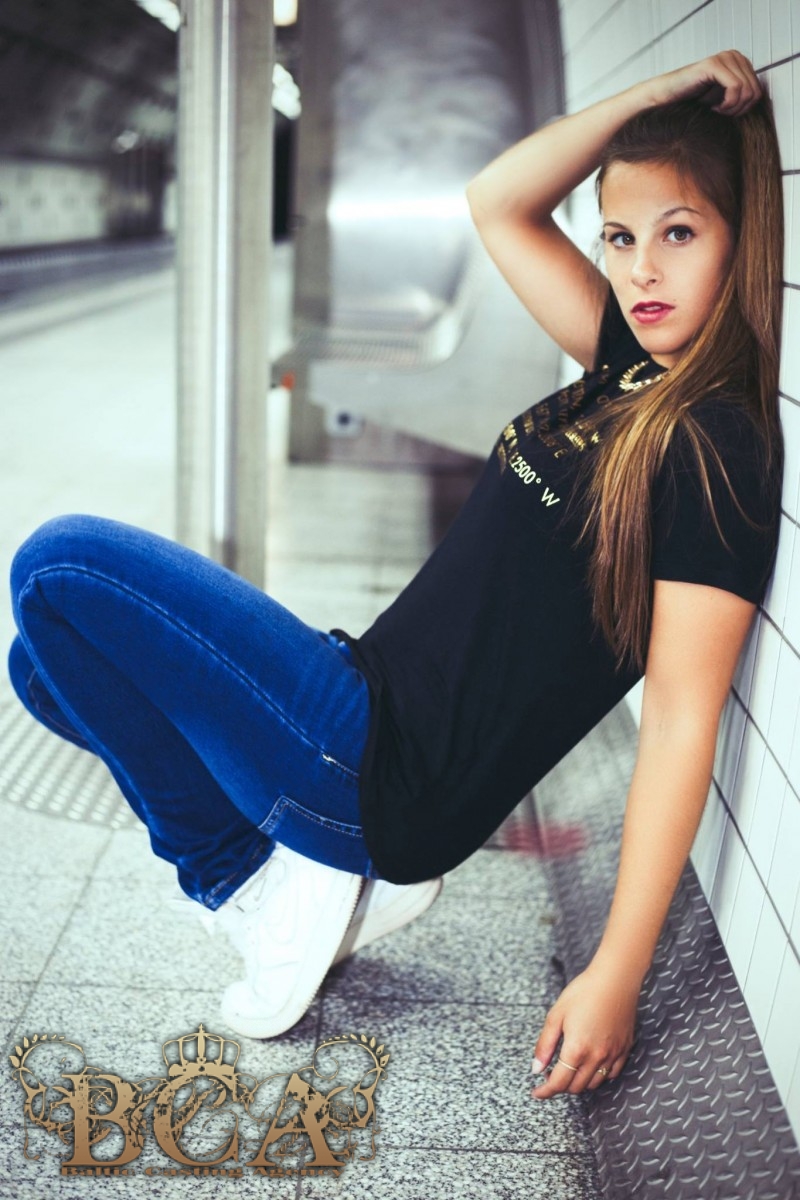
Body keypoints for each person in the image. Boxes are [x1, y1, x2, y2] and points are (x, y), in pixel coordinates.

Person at [7, 50, 783, 1102]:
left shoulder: (717, 447)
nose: (640, 269)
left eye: (678, 234)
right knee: (43, 666)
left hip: (379, 768)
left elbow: (683, 721)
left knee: (54, 565)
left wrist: (616, 971)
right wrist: (652, 95)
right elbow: (498, 200)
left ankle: (246, 881)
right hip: (362, 695)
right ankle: (312, 878)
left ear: (741, 241)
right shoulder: (628, 367)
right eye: (618, 236)